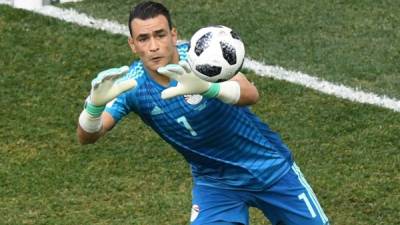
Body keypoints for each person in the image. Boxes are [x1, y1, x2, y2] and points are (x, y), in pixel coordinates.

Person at [76, 1, 330, 225]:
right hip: (216, 184)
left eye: (160, 35)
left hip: (268, 169)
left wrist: (208, 88)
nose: (153, 46)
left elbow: (250, 94)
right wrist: (93, 108)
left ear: (173, 35)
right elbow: (87, 137)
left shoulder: (202, 58)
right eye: (143, 39)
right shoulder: (132, 86)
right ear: (133, 45)